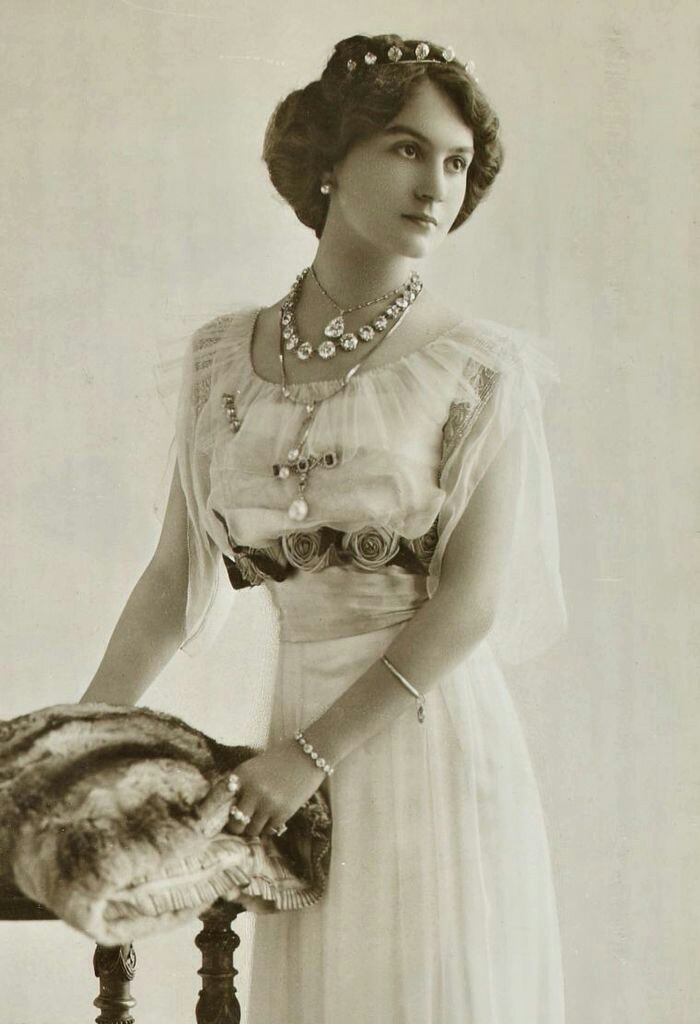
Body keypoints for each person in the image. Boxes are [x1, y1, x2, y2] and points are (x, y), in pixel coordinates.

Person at [81, 32, 568, 1023]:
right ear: (330, 158)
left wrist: (309, 756)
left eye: (457, 163)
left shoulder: (478, 367)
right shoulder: (222, 359)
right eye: (405, 147)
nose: (434, 185)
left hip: (424, 738)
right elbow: (176, 579)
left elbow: (470, 604)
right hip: (289, 743)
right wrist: (80, 740)